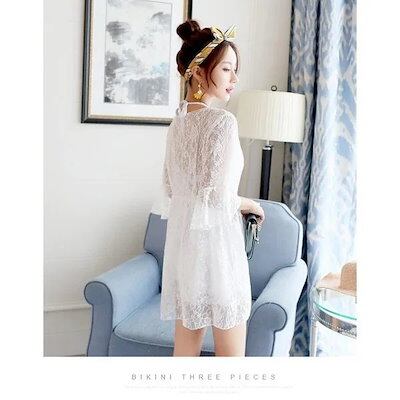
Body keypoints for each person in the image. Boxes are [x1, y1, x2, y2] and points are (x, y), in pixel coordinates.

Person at [158, 19, 265, 357]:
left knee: (184, 355)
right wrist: (250, 205)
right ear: (200, 72)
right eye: (226, 69)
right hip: (219, 249)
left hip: (185, 250)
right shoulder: (222, 121)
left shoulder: (177, 124)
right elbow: (218, 197)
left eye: (235, 70)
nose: (235, 79)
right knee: (231, 360)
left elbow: (171, 189)